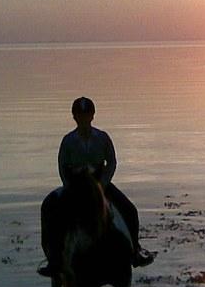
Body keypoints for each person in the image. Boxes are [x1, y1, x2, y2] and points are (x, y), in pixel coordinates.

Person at [38, 96, 155, 276]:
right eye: (80, 115)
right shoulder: (68, 141)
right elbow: (62, 166)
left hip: (100, 183)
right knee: (52, 212)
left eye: (86, 115)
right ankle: (54, 260)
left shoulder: (102, 138)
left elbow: (112, 162)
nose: (83, 119)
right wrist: (68, 186)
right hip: (75, 186)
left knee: (130, 210)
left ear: (92, 116)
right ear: (74, 117)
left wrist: (103, 183)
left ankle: (135, 252)